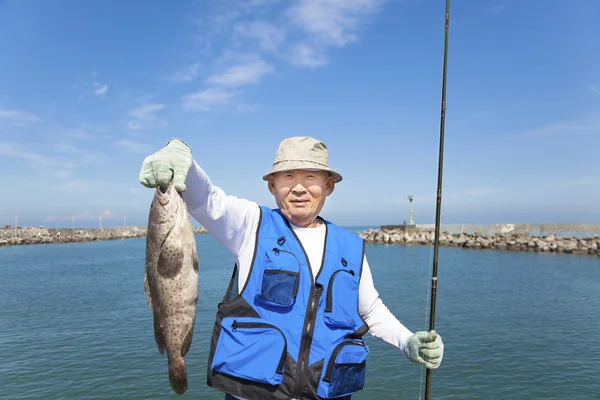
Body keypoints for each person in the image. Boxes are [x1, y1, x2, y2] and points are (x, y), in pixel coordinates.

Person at [139, 137, 444, 400]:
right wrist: (181, 156)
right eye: (287, 177)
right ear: (272, 185)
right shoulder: (250, 225)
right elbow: (205, 198)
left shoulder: (351, 247)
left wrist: (408, 342)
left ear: (328, 186)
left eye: (311, 177)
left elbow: (371, 311)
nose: (299, 188)